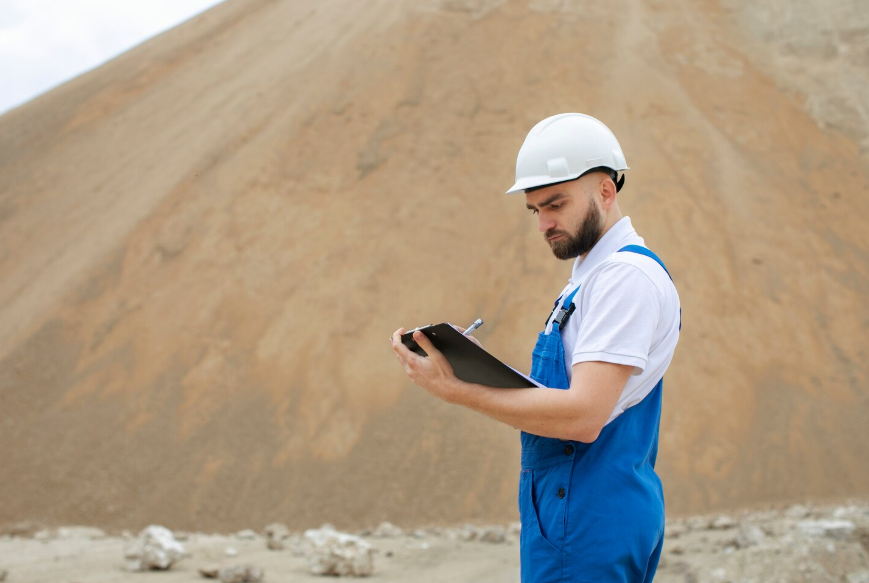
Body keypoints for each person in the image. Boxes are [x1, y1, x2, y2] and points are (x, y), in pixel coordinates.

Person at [390, 113, 681, 583]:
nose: (544, 223)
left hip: (589, 515)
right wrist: (472, 366)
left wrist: (455, 390)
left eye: (556, 204)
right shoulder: (591, 278)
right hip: (571, 513)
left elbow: (584, 416)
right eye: (534, 210)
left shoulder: (625, 279)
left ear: (606, 191)